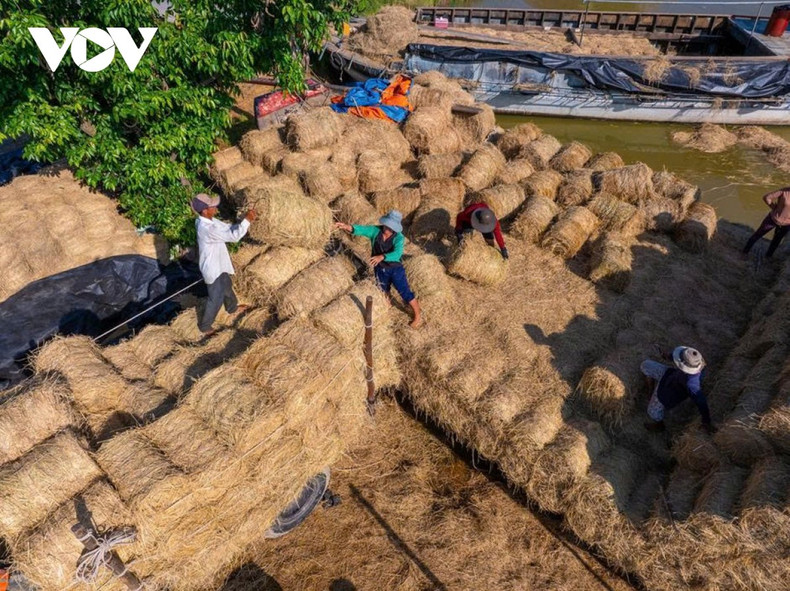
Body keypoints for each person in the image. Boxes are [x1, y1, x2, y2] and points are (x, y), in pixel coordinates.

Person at [335, 210, 422, 328]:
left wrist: (382, 257)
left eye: (391, 227)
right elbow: (362, 230)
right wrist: (347, 227)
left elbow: (397, 253)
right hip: (380, 268)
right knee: (383, 290)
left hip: (395, 269)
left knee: (405, 292)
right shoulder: (376, 231)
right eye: (387, 225)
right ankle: (388, 308)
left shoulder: (399, 238)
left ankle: (417, 316)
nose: (387, 228)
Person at [192, 193, 256, 336]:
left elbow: (227, 228)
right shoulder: (206, 228)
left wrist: (242, 220)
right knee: (216, 298)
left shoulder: (210, 220)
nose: (216, 207)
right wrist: (247, 220)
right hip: (212, 268)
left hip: (219, 263)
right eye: (212, 206)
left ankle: (232, 308)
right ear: (204, 211)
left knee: (227, 285)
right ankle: (205, 326)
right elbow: (233, 236)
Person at [640, 346, 715, 434]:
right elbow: (679, 356)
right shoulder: (693, 357)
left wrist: (706, 421)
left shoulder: (692, 384)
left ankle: (660, 425)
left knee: (652, 412)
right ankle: (650, 390)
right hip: (670, 375)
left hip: (673, 392)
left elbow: (701, 402)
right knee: (645, 365)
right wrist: (668, 356)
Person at [743, 186, 790, 258]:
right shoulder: (784, 191)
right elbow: (767, 197)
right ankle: (744, 252)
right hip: (773, 219)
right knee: (757, 235)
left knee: (776, 241)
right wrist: (774, 207)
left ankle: (768, 257)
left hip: (787, 224)